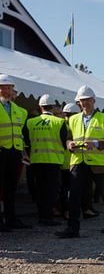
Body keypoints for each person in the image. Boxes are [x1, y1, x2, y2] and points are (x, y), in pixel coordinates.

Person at [55, 85, 104, 238]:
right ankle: (72, 228)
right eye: (82, 101)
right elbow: (69, 138)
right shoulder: (73, 119)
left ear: (94, 100)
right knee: (74, 195)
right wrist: (69, 144)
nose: (85, 103)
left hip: (99, 164)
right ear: (78, 103)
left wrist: (96, 144)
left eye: (88, 100)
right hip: (78, 161)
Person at [23, 94, 67, 226]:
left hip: (35, 161)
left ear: (40, 107)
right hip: (53, 161)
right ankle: (48, 217)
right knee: (51, 190)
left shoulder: (30, 122)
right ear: (53, 107)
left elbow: (26, 141)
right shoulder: (59, 122)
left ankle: (41, 215)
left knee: (39, 189)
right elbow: (64, 142)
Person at [0, 74, 30, 231]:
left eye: (10, 87)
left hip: (15, 153)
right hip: (1, 151)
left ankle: (11, 219)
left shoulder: (21, 111)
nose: (7, 90)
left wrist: (24, 152)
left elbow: (20, 134)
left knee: (11, 187)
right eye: (4, 87)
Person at [57, 102, 78, 220]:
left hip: (61, 161)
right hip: (71, 162)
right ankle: (67, 211)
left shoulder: (61, 124)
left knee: (63, 189)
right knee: (69, 190)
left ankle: (62, 210)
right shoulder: (75, 126)